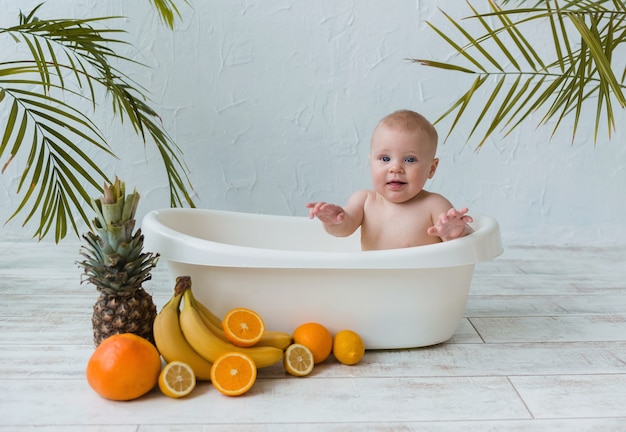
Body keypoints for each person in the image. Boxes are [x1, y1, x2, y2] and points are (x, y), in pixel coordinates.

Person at [306, 109, 474, 251]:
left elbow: (458, 249)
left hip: (422, 286)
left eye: (410, 160)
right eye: (385, 159)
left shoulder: (435, 205)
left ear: (431, 168)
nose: (395, 168)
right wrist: (334, 220)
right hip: (376, 285)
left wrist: (456, 232)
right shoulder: (364, 201)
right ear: (371, 162)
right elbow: (344, 229)